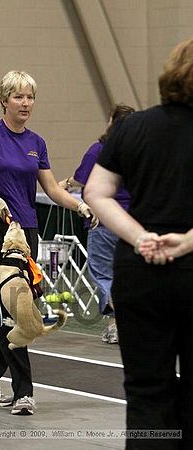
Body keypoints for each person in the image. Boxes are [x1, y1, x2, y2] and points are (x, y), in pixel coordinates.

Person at [0, 70, 96, 415]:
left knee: (17, 309)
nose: (25, 103)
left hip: (26, 231)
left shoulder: (37, 143)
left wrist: (82, 203)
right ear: (4, 100)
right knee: (14, 310)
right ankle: (23, 392)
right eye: (18, 96)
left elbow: (53, 189)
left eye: (30, 97)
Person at [84, 37, 193, 449]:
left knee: (146, 393)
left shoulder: (132, 128)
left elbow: (96, 192)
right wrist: (184, 243)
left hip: (140, 272)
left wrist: (140, 236)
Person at [59, 104, 135, 344]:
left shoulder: (99, 150)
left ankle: (119, 322)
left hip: (103, 221)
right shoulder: (141, 151)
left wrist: (66, 184)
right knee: (130, 275)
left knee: (104, 275)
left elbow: (82, 179)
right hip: (132, 223)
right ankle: (122, 323)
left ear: (111, 122)